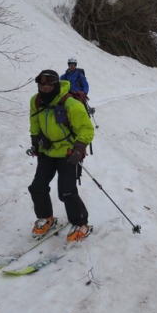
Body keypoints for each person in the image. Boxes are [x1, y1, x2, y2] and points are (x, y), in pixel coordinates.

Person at [27, 69, 95, 242]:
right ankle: (46, 218)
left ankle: (81, 224)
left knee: (66, 192)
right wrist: (36, 141)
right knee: (37, 187)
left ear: (56, 84)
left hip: (68, 153)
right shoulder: (36, 101)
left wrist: (79, 149)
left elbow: (86, 129)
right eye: (41, 84)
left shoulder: (70, 103)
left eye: (49, 84)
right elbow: (34, 123)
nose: (45, 87)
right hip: (47, 152)